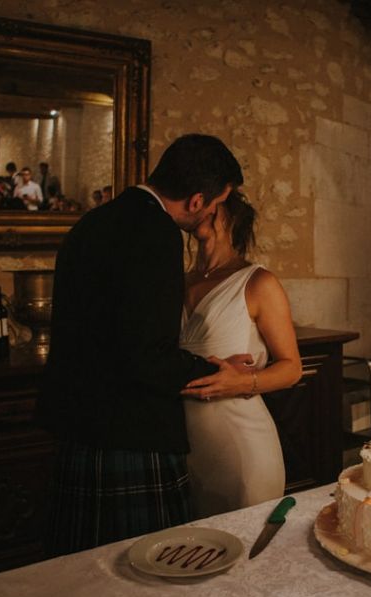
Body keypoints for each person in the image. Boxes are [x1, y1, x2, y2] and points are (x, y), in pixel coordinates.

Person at [38, 133, 247, 554]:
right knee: (140, 575)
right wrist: (219, 372)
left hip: (78, 425)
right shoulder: (156, 232)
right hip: (127, 430)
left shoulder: (93, 222)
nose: (211, 214)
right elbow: (145, 356)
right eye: (214, 203)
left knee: (81, 575)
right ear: (195, 201)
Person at [179, 190, 301, 518]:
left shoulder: (258, 282)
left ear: (231, 217)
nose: (201, 208)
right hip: (185, 452)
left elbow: (292, 368)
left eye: (212, 205)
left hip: (242, 448)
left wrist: (241, 383)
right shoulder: (179, 282)